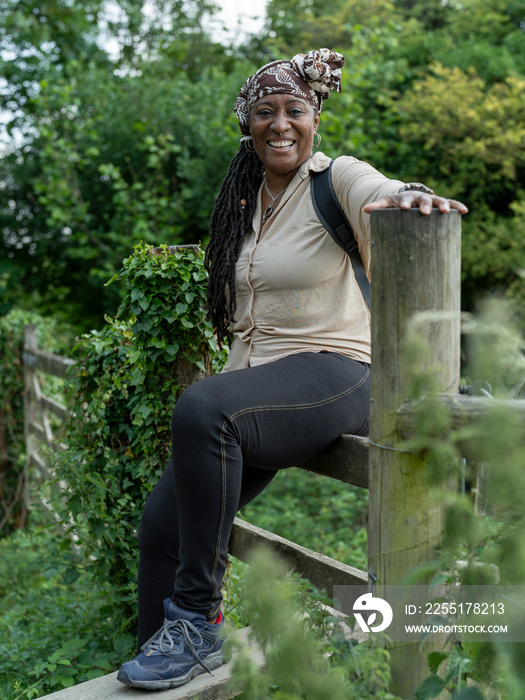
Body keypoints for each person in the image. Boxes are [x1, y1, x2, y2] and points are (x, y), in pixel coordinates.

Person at [117, 48, 468, 691]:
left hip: (339, 369)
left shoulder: (338, 179)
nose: (281, 124)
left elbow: (378, 191)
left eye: (294, 111)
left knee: (203, 406)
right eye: (265, 112)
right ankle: (164, 657)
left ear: (314, 119)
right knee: (162, 525)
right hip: (261, 385)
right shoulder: (245, 205)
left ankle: (197, 622)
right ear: (246, 126)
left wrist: (409, 196)